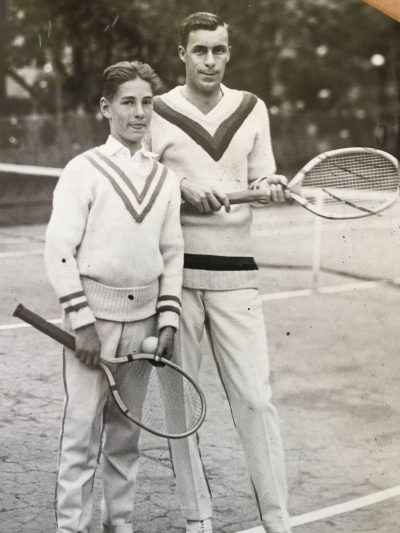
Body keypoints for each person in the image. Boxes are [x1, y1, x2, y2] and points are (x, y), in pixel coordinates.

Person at [145, 12, 292, 533]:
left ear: (229, 53)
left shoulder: (252, 108)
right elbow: (139, 177)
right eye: (200, 50)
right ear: (181, 53)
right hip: (174, 277)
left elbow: (263, 174)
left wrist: (271, 184)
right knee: (181, 404)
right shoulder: (156, 110)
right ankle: (196, 519)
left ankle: (278, 520)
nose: (210, 60)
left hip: (237, 275)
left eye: (219, 50)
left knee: (255, 398)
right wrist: (179, 185)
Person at [45, 60, 184, 533]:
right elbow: (59, 248)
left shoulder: (164, 178)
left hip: (144, 324)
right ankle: (72, 527)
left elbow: (171, 250)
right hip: (92, 323)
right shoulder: (83, 169)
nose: (139, 113)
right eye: (128, 102)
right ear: (107, 108)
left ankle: (118, 523)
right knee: (82, 434)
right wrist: (81, 322)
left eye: (147, 103)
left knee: (126, 437)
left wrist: (167, 319)